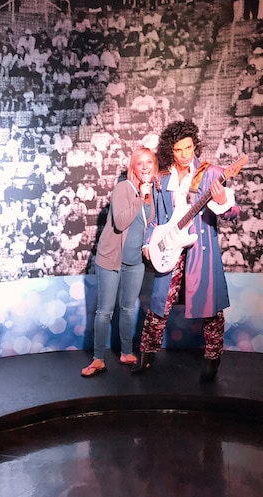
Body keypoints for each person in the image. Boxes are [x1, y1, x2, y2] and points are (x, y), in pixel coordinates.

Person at [131, 121, 240, 382]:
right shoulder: (162, 177)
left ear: (195, 145)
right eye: (179, 150)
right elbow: (155, 218)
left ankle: (213, 359)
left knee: (210, 308)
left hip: (201, 251)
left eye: (189, 147)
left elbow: (234, 214)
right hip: (169, 246)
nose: (185, 154)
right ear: (171, 150)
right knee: (159, 303)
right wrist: (148, 242)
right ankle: (147, 355)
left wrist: (224, 202)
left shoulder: (212, 173)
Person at [81, 146, 158, 377]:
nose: (145, 167)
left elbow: (153, 225)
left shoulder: (155, 193)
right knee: (105, 311)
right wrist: (140, 197)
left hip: (135, 263)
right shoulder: (123, 188)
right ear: (133, 167)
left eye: (149, 162)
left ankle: (126, 352)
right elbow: (121, 223)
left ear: (154, 167)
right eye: (140, 163)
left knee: (127, 308)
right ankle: (98, 359)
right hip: (111, 259)